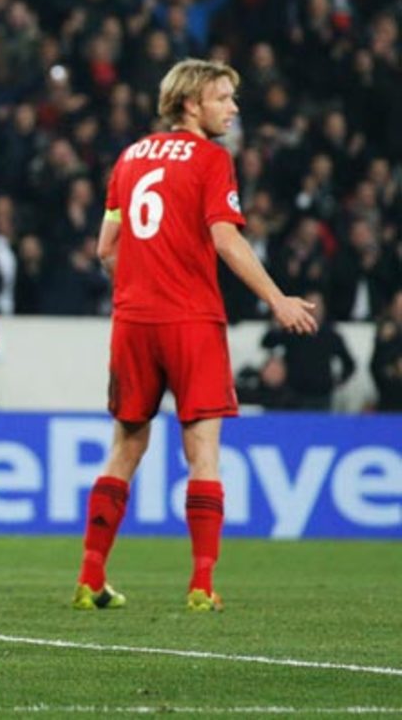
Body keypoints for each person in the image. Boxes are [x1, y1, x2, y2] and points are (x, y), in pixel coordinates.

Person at [73, 59, 316, 613]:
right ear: (190, 103)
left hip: (133, 320)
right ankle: (202, 585)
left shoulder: (130, 157)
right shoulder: (211, 159)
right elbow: (226, 239)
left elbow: (105, 250)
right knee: (202, 452)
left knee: (125, 448)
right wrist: (276, 298)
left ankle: (90, 577)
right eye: (223, 97)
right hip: (191, 321)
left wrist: (143, 281)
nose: (233, 107)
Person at [260, 291, 355, 411]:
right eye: (310, 306)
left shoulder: (331, 335)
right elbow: (267, 343)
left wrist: (336, 381)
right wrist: (276, 326)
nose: (314, 310)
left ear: (323, 308)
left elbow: (349, 363)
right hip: (293, 395)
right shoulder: (293, 329)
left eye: (317, 306)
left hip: (322, 396)